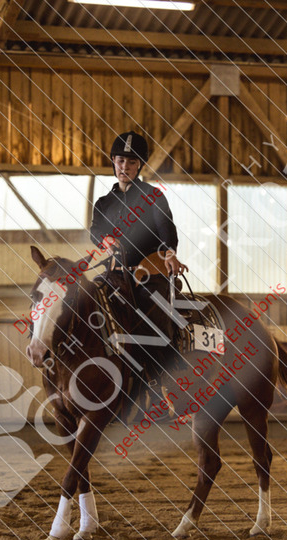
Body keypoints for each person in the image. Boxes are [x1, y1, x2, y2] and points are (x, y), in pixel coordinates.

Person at [90, 130, 187, 388]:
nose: (125, 167)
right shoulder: (103, 203)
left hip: (149, 273)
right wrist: (105, 240)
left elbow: (167, 231)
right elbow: (95, 230)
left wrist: (170, 253)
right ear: (113, 161)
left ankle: (162, 380)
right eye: (121, 160)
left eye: (131, 162)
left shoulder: (154, 196)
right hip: (115, 274)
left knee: (155, 314)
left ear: (139, 165)